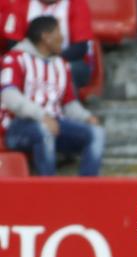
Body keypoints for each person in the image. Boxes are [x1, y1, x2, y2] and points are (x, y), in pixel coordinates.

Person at [0, 16, 104, 176]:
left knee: (96, 133)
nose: (62, 38)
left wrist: (86, 117)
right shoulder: (14, 59)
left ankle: (86, 190)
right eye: (58, 32)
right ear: (46, 37)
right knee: (44, 129)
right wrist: (42, 116)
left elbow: (69, 103)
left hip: (54, 124)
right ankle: (48, 191)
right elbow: (9, 96)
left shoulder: (61, 65)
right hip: (17, 128)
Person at [3, 0, 95, 89]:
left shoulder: (76, 3)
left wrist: (50, 63)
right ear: (45, 37)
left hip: (66, 59)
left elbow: (81, 47)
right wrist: (35, 62)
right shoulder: (22, 3)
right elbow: (13, 43)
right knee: (11, 66)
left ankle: (62, 100)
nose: (61, 37)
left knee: (70, 70)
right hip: (29, 58)